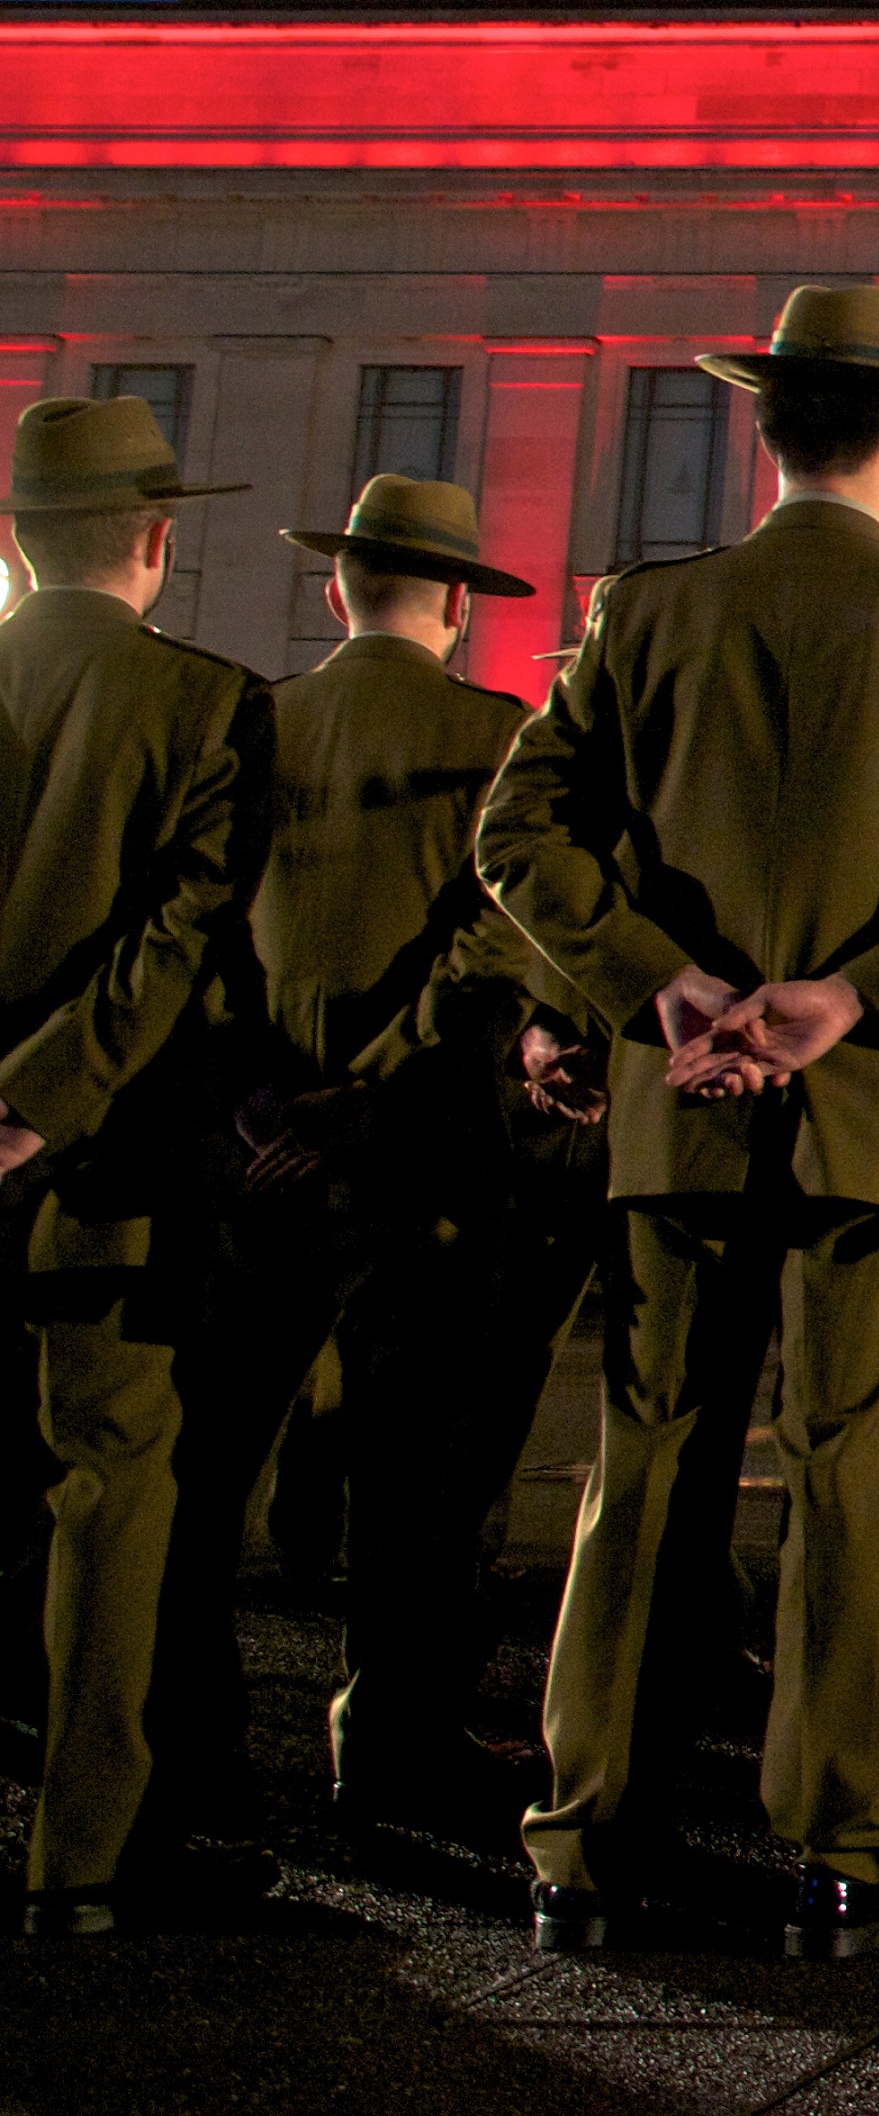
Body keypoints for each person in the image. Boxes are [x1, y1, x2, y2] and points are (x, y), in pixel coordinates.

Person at [480, 284, 879, 1958]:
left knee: (646, 1467)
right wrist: (859, 993)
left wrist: (663, 984)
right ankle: (843, 1836)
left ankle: (584, 1833)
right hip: (867, 1131)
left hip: (675, 1116)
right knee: (850, 1477)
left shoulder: (645, 612)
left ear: (761, 434)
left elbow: (518, 831)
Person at [165, 476, 587, 1843]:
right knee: (419, 1480)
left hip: (259, 1151)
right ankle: (388, 1739)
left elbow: (206, 931)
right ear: (459, 602)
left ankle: (193, 1735)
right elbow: (494, 943)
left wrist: (262, 1099)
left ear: (336, 586)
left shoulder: (260, 726)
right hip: (421, 1155)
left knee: (211, 1460)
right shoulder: (492, 734)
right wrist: (375, 1084)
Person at [0, 397, 271, 1936]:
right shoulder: (204, 704)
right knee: (113, 1508)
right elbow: (172, 946)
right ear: (158, 540)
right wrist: (36, 1105)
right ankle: (83, 1857)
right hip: (109, 1177)